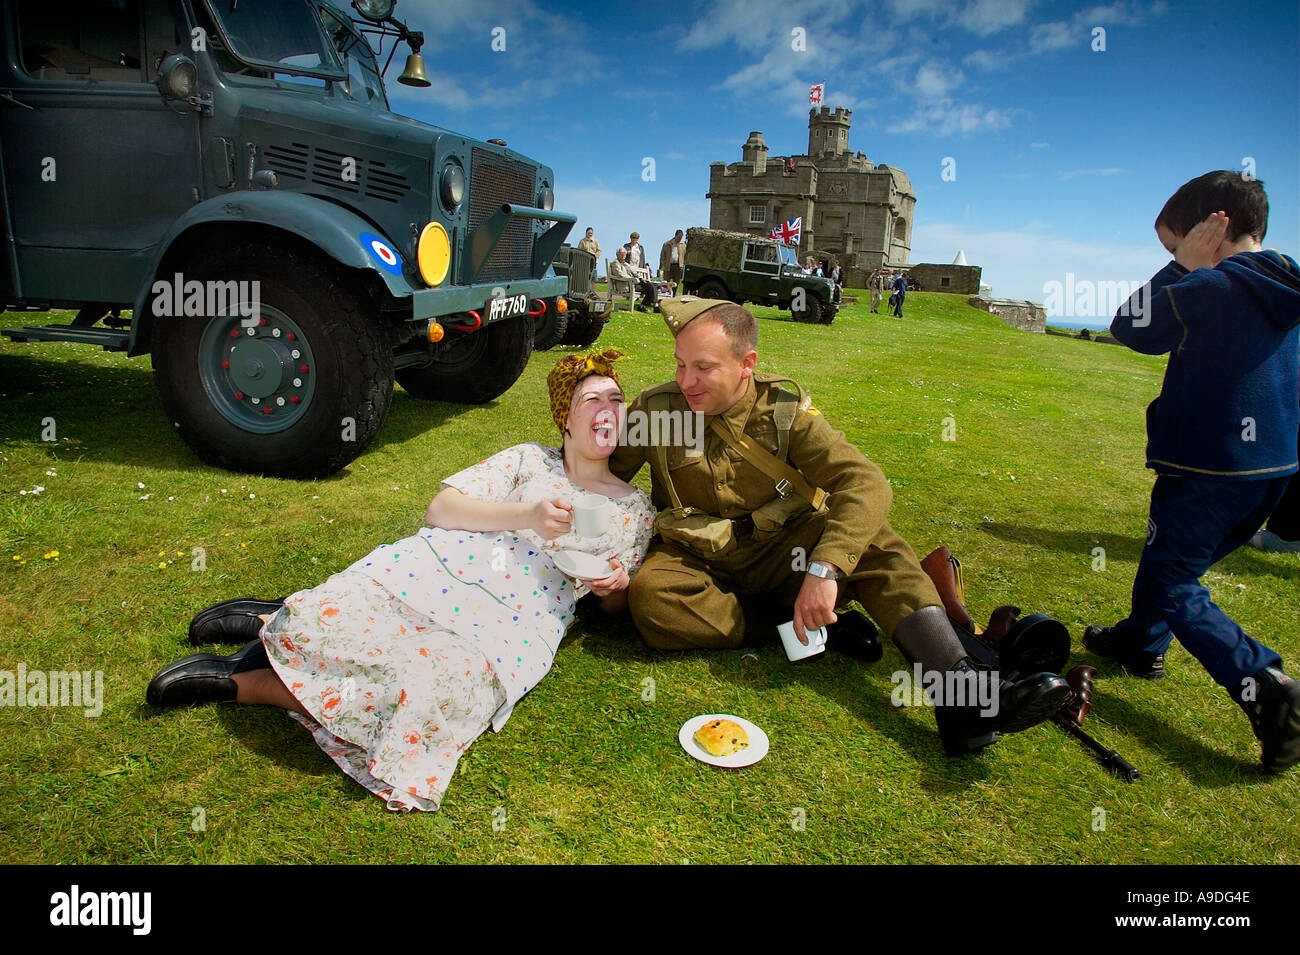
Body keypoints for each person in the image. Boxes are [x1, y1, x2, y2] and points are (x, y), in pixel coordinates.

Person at [146, 351, 658, 810]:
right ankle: (270, 620)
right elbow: (442, 509)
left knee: (436, 685)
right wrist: (528, 514)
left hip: (517, 618)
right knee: (333, 615)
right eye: (592, 399)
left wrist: (615, 591)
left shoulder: (634, 508)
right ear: (565, 418)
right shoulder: (528, 459)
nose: (608, 407)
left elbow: (612, 604)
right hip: (438, 569)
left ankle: (243, 682)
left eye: (615, 398)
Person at [608, 296, 1070, 757]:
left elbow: (864, 482)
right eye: (681, 364)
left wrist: (825, 569)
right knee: (652, 600)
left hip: (782, 552)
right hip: (696, 558)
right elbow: (606, 478)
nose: (686, 380)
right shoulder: (657, 409)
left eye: (704, 368)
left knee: (876, 545)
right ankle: (805, 630)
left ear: (747, 363)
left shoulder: (783, 411)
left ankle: (960, 691)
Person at [1082, 170, 1300, 772]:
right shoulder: (1288, 279)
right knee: (1169, 560)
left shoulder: (1215, 285)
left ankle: (1266, 682)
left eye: (1173, 245)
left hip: (1207, 468)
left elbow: (1130, 327)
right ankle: (1139, 644)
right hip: (1273, 467)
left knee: (1177, 581)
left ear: (1214, 226)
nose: (1171, 258)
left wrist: (1186, 268)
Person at [610, 246, 658, 312]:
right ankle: (653, 305)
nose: (623, 254)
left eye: (624, 253)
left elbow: (634, 273)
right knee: (650, 287)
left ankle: (647, 305)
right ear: (617, 254)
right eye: (621, 253)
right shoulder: (615, 263)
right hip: (626, 285)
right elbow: (620, 274)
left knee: (651, 286)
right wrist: (633, 279)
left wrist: (641, 278)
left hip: (633, 283)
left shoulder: (626, 264)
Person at [660, 229, 685, 296]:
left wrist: (683, 265)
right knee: (665, 281)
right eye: (679, 237)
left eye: (681, 237)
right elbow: (662, 256)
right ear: (675, 236)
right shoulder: (667, 244)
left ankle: (673, 296)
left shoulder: (683, 245)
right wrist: (663, 265)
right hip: (668, 265)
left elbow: (684, 256)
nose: (680, 239)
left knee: (676, 282)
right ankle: (664, 295)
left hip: (678, 266)